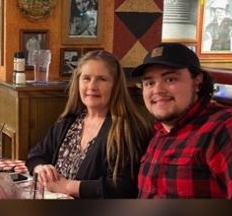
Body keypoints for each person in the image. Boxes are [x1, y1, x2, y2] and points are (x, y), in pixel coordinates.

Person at [131, 42, 232, 198]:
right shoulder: (158, 133)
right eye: (149, 83)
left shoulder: (229, 125)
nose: (157, 90)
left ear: (197, 82)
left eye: (170, 79)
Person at [26, 50, 152, 198]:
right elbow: (35, 155)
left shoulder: (126, 129)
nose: (92, 86)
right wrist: (41, 168)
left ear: (115, 85)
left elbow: (121, 188)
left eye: (102, 79)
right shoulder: (68, 121)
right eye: (86, 78)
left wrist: (67, 186)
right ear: (78, 82)